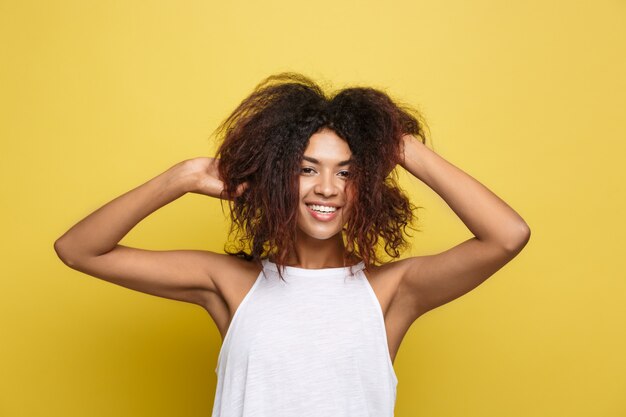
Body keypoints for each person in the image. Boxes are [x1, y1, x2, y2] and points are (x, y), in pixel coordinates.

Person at [54, 72, 531, 417]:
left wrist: (398, 145)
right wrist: (185, 176)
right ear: (280, 176)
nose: (327, 187)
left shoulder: (391, 293)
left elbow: (507, 236)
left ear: (365, 185)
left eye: (345, 171)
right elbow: (79, 250)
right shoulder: (231, 284)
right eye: (307, 168)